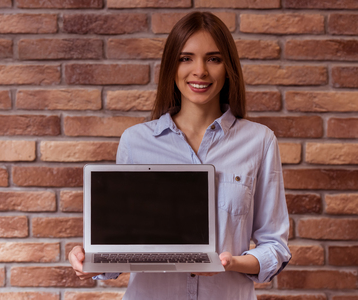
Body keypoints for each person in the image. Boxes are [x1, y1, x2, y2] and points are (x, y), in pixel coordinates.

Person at [69, 11, 291, 299]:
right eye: (186, 58)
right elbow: (119, 252)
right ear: (171, 66)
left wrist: (230, 263)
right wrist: (89, 259)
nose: (200, 71)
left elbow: (275, 246)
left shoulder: (259, 141)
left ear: (229, 67)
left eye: (214, 58)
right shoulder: (136, 142)